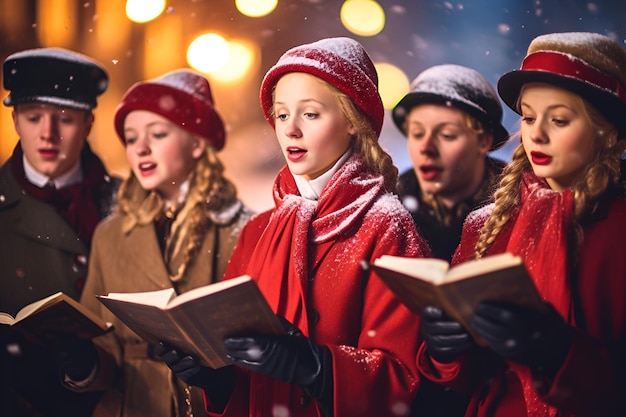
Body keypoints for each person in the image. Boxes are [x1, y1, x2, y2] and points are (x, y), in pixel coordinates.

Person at [156, 37, 431, 417]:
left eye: (311, 114)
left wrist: (316, 367)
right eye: (282, 115)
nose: (291, 130)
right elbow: (244, 373)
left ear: (353, 122)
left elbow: (405, 378)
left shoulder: (388, 226)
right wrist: (216, 378)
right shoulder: (259, 230)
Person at [417, 32, 626, 417]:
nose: (536, 133)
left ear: (607, 130)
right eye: (528, 117)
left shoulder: (618, 229)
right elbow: (470, 378)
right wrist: (447, 350)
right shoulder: (488, 224)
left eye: (559, 119)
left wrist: (559, 353)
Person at [58, 69, 253, 417]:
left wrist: (223, 380)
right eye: (131, 139)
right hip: (131, 404)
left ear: (196, 143)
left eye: (158, 134)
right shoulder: (111, 234)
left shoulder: (243, 230)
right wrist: (85, 362)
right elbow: (101, 341)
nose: (141, 149)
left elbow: (260, 344)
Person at [0, 47, 116, 417]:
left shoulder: (133, 203)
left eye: (64, 119)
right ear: (16, 121)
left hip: (121, 401)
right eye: (34, 117)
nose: (47, 134)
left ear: (88, 124)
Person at [392, 64, 509, 262]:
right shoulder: (391, 206)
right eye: (417, 134)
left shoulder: (520, 203)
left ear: (483, 142)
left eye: (447, 135)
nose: (426, 147)